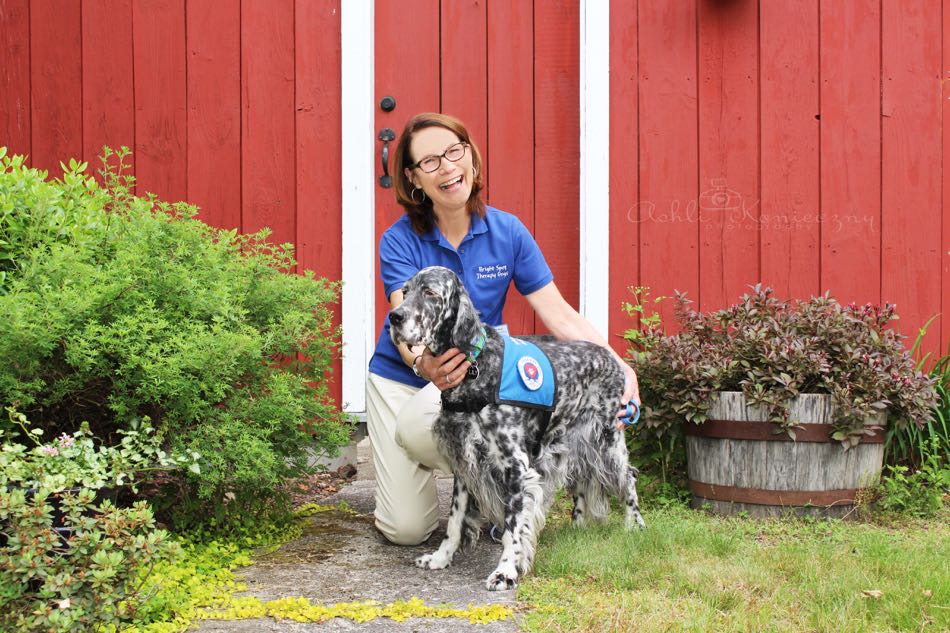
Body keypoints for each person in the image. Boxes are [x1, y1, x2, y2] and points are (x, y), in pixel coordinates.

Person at [366, 112, 640, 545]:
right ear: (414, 178)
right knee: (408, 530)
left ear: (471, 159)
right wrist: (425, 364)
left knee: (491, 412)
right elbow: (405, 327)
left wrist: (619, 367)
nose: (448, 167)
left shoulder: (507, 231)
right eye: (431, 162)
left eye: (454, 153)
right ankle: (483, 486)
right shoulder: (398, 240)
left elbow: (561, 316)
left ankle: (498, 498)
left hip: (473, 370)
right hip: (403, 378)